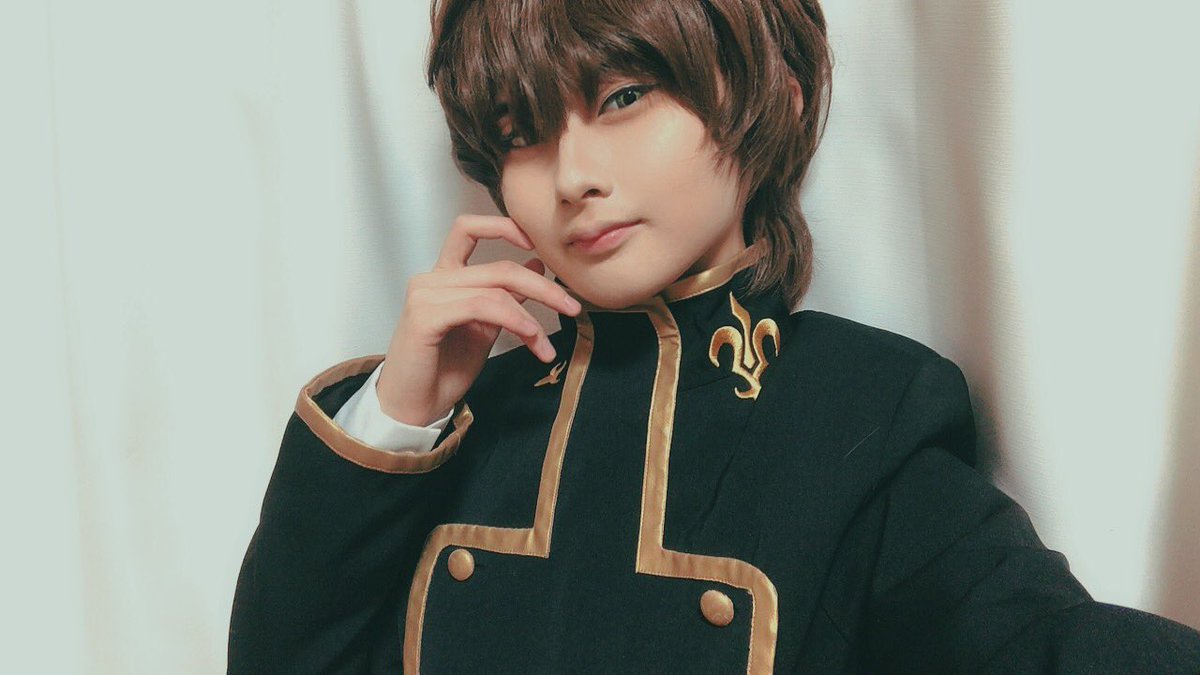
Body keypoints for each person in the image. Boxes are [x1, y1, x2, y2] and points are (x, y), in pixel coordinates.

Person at [228, 0, 1200, 672]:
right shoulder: (453, 430)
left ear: (774, 89)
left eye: (621, 97)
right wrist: (398, 416)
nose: (571, 175)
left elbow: (1044, 648)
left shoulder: (863, 413)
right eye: (522, 131)